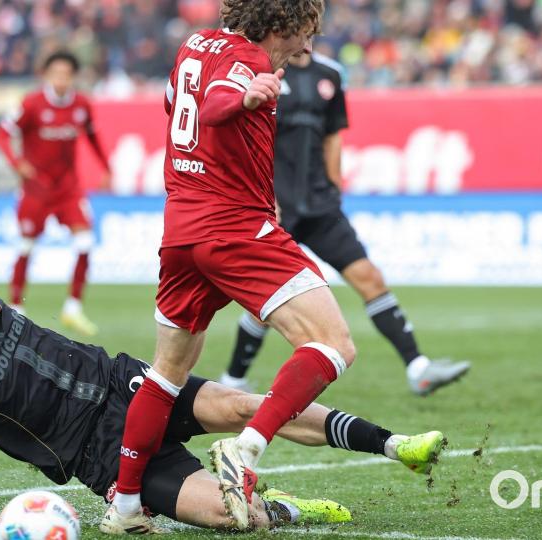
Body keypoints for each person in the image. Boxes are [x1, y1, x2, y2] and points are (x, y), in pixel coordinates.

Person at [0, 250, 447, 532]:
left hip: (121, 382)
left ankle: (396, 445)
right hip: (96, 453)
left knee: (245, 406)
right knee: (234, 519)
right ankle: (287, 509)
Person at [107, 1, 370, 533]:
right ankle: (246, 449)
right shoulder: (245, 59)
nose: (308, 45)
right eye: (304, 32)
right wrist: (246, 94)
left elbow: (178, 105)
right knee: (333, 343)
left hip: (180, 231)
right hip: (232, 228)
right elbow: (218, 103)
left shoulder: (194, 46)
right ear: (280, 25)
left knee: (165, 376)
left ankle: (126, 506)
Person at [217, 51, 470, 397]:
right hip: (277, 207)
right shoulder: (265, 70)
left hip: (321, 206)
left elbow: (333, 135)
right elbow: (247, 138)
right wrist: (262, 194)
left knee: (370, 277)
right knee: (268, 304)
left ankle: (418, 368)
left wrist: (335, 184)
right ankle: (233, 380)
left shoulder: (330, 74)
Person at [0, 51, 111, 336]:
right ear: (47, 75)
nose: (61, 79)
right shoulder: (31, 103)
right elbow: (2, 134)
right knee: (26, 247)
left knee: (85, 242)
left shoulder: (81, 105)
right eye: (56, 73)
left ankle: (72, 309)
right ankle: (16, 308)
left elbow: (92, 135)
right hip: (36, 189)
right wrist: (17, 163)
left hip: (68, 188)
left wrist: (105, 167)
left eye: (66, 74)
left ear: (73, 76)